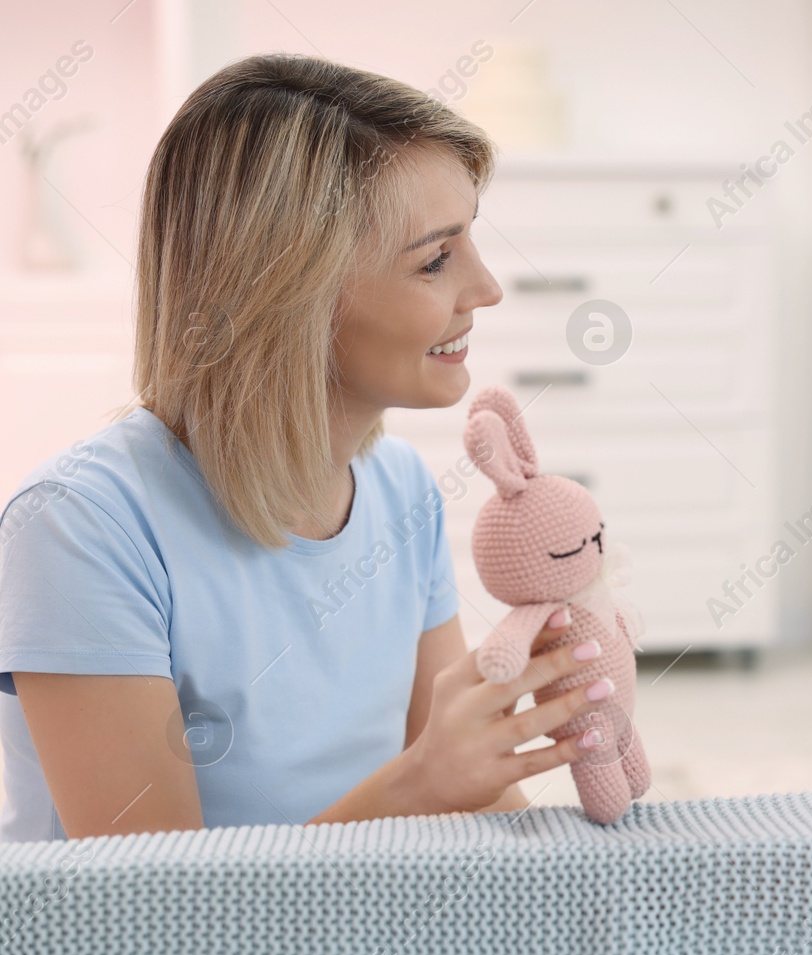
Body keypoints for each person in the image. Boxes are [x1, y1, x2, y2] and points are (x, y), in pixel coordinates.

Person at [0, 54, 610, 842]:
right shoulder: (80, 529)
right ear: (288, 292)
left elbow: (468, 801)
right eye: (435, 259)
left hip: (354, 935)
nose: (487, 288)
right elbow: (146, 920)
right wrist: (419, 781)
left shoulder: (400, 490)